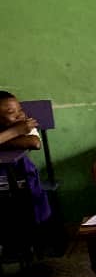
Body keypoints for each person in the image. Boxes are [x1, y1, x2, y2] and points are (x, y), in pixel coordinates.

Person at [0, 90, 51, 225]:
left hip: (23, 182)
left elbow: (34, 143)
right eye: (11, 112)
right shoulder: (19, 128)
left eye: (21, 110)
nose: (20, 115)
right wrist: (15, 131)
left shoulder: (24, 125)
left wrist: (6, 138)